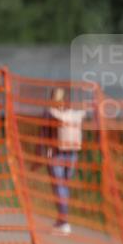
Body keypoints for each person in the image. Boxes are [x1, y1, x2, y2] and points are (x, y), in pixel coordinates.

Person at [42, 87, 86, 235]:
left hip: (56, 153)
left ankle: (64, 221)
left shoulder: (49, 112)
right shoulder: (74, 114)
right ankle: (62, 220)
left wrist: (40, 156)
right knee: (64, 186)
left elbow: (43, 136)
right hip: (73, 152)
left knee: (59, 186)